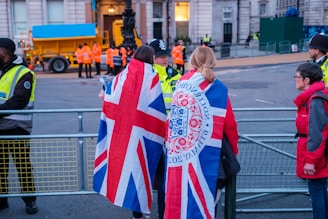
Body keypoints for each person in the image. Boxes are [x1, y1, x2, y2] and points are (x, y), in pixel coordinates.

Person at [164, 46, 238, 218]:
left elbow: (173, 119)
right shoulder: (218, 87)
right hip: (209, 154)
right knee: (206, 197)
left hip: (180, 154)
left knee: (180, 197)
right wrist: (233, 149)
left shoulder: (181, 84)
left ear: (192, 61)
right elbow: (229, 124)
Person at [94, 45, 166, 219]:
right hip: (145, 134)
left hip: (127, 133)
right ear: (150, 58)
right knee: (160, 173)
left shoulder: (121, 77)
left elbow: (108, 97)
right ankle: (163, 213)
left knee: (135, 171)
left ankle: (137, 213)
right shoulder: (151, 78)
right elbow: (157, 110)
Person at [0, 38, 38, 214]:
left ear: (4, 51)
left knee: (23, 167)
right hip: (1, 127)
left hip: (17, 127)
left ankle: (30, 201)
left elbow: (19, 100)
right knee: (0, 168)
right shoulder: (1, 71)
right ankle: (2, 201)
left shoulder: (23, 73)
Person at [293, 62, 328, 219]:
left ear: (307, 80)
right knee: (320, 189)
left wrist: (311, 160)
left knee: (316, 190)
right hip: (316, 152)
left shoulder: (314, 100)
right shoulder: (316, 97)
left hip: (314, 153)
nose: (295, 79)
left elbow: (317, 132)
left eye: (297, 76)